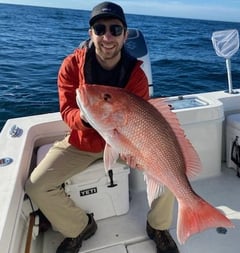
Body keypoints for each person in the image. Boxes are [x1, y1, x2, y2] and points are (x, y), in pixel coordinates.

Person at [25, 2, 180, 253]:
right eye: (100, 29)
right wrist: (86, 120)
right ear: (91, 34)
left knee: (166, 168)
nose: (107, 37)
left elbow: (139, 121)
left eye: (115, 29)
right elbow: (67, 111)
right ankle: (81, 226)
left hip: (125, 143)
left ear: (125, 34)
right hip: (82, 141)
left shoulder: (136, 75)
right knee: (36, 186)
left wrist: (135, 147)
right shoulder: (71, 66)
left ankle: (158, 226)